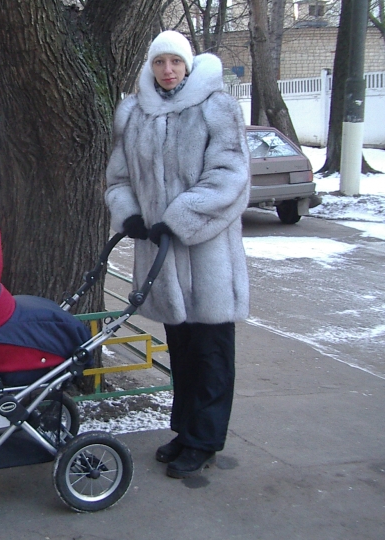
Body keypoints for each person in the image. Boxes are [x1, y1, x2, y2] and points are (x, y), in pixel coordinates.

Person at [104, 30, 251, 479]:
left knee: (211, 354)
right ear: (150, 66)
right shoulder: (134, 113)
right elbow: (118, 179)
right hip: (162, 257)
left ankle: (204, 440)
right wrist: (129, 214)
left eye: (175, 62)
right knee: (182, 352)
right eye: (159, 62)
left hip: (208, 256)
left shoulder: (216, 107)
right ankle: (186, 431)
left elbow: (230, 177)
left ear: (188, 64)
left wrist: (180, 218)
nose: (167, 70)